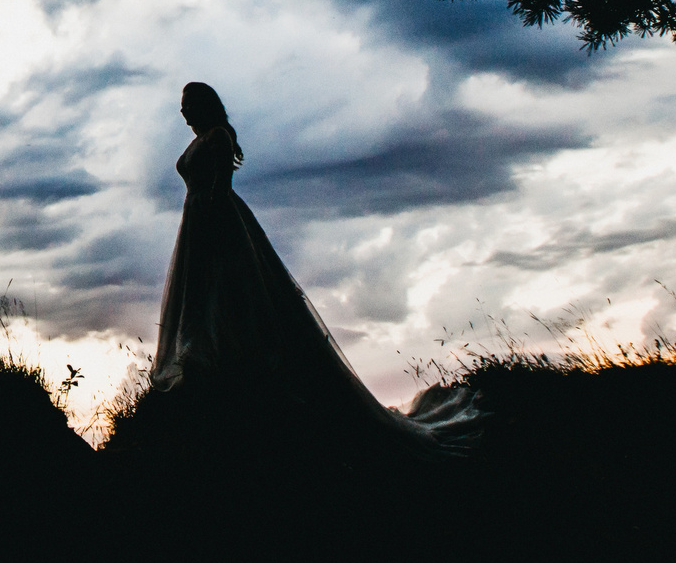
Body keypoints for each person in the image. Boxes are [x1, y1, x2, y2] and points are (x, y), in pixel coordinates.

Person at [154, 81, 477, 447]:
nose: (182, 111)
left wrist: (210, 230)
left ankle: (237, 374)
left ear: (202, 105)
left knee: (233, 295)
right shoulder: (200, 139)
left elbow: (220, 189)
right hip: (197, 225)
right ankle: (207, 365)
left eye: (187, 104)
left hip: (218, 225)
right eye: (181, 105)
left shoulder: (218, 138)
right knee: (200, 301)